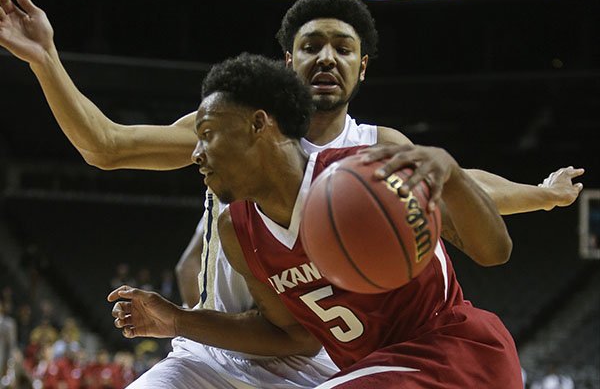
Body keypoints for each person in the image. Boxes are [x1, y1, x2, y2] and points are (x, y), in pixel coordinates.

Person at [0, 0, 583, 388]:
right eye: (311, 45)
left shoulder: (371, 154)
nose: (326, 57)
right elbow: (108, 146)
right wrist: (46, 59)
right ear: (286, 60)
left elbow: (457, 193)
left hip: (322, 358)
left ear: (362, 68)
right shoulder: (229, 130)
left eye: (344, 48)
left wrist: (537, 192)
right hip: (222, 349)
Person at [109, 53, 521, 388]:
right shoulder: (238, 229)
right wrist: (178, 320)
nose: (196, 153)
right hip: (378, 371)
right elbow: (293, 338)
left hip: (457, 357)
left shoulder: (364, 179)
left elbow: (495, 250)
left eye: (207, 133)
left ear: (258, 124)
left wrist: (450, 172)